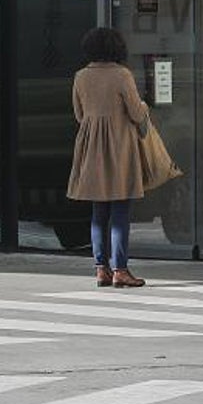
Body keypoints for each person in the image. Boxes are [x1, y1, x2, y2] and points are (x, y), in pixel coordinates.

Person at [67, 27, 150, 288]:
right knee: (120, 210)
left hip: (90, 146)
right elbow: (137, 113)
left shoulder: (80, 76)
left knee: (98, 211)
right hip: (119, 146)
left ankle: (101, 268)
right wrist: (145, 107)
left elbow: (79, 114)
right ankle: (121, 269)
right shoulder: (121, 74)